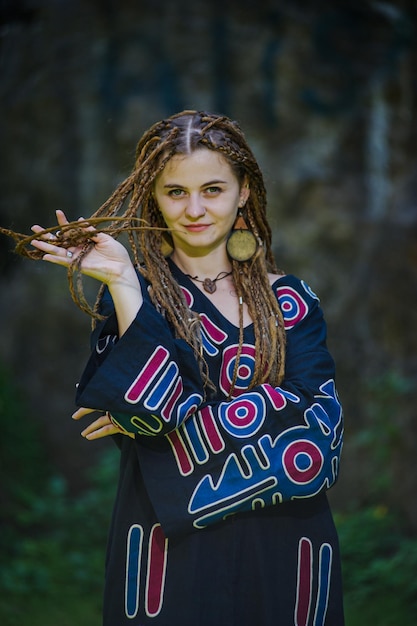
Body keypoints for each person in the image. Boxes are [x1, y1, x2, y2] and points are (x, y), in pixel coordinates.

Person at [29, 110, 344, 625]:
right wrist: (126, 285)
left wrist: (180, 412)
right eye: (175, 192)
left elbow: (321, 438)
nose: (194, 209)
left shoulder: (292, 302)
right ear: (154, 196)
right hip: (165, 552)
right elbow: (147, 414)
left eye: (213, 189)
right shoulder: (136, 298)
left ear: (244, 192)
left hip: (287, 549)